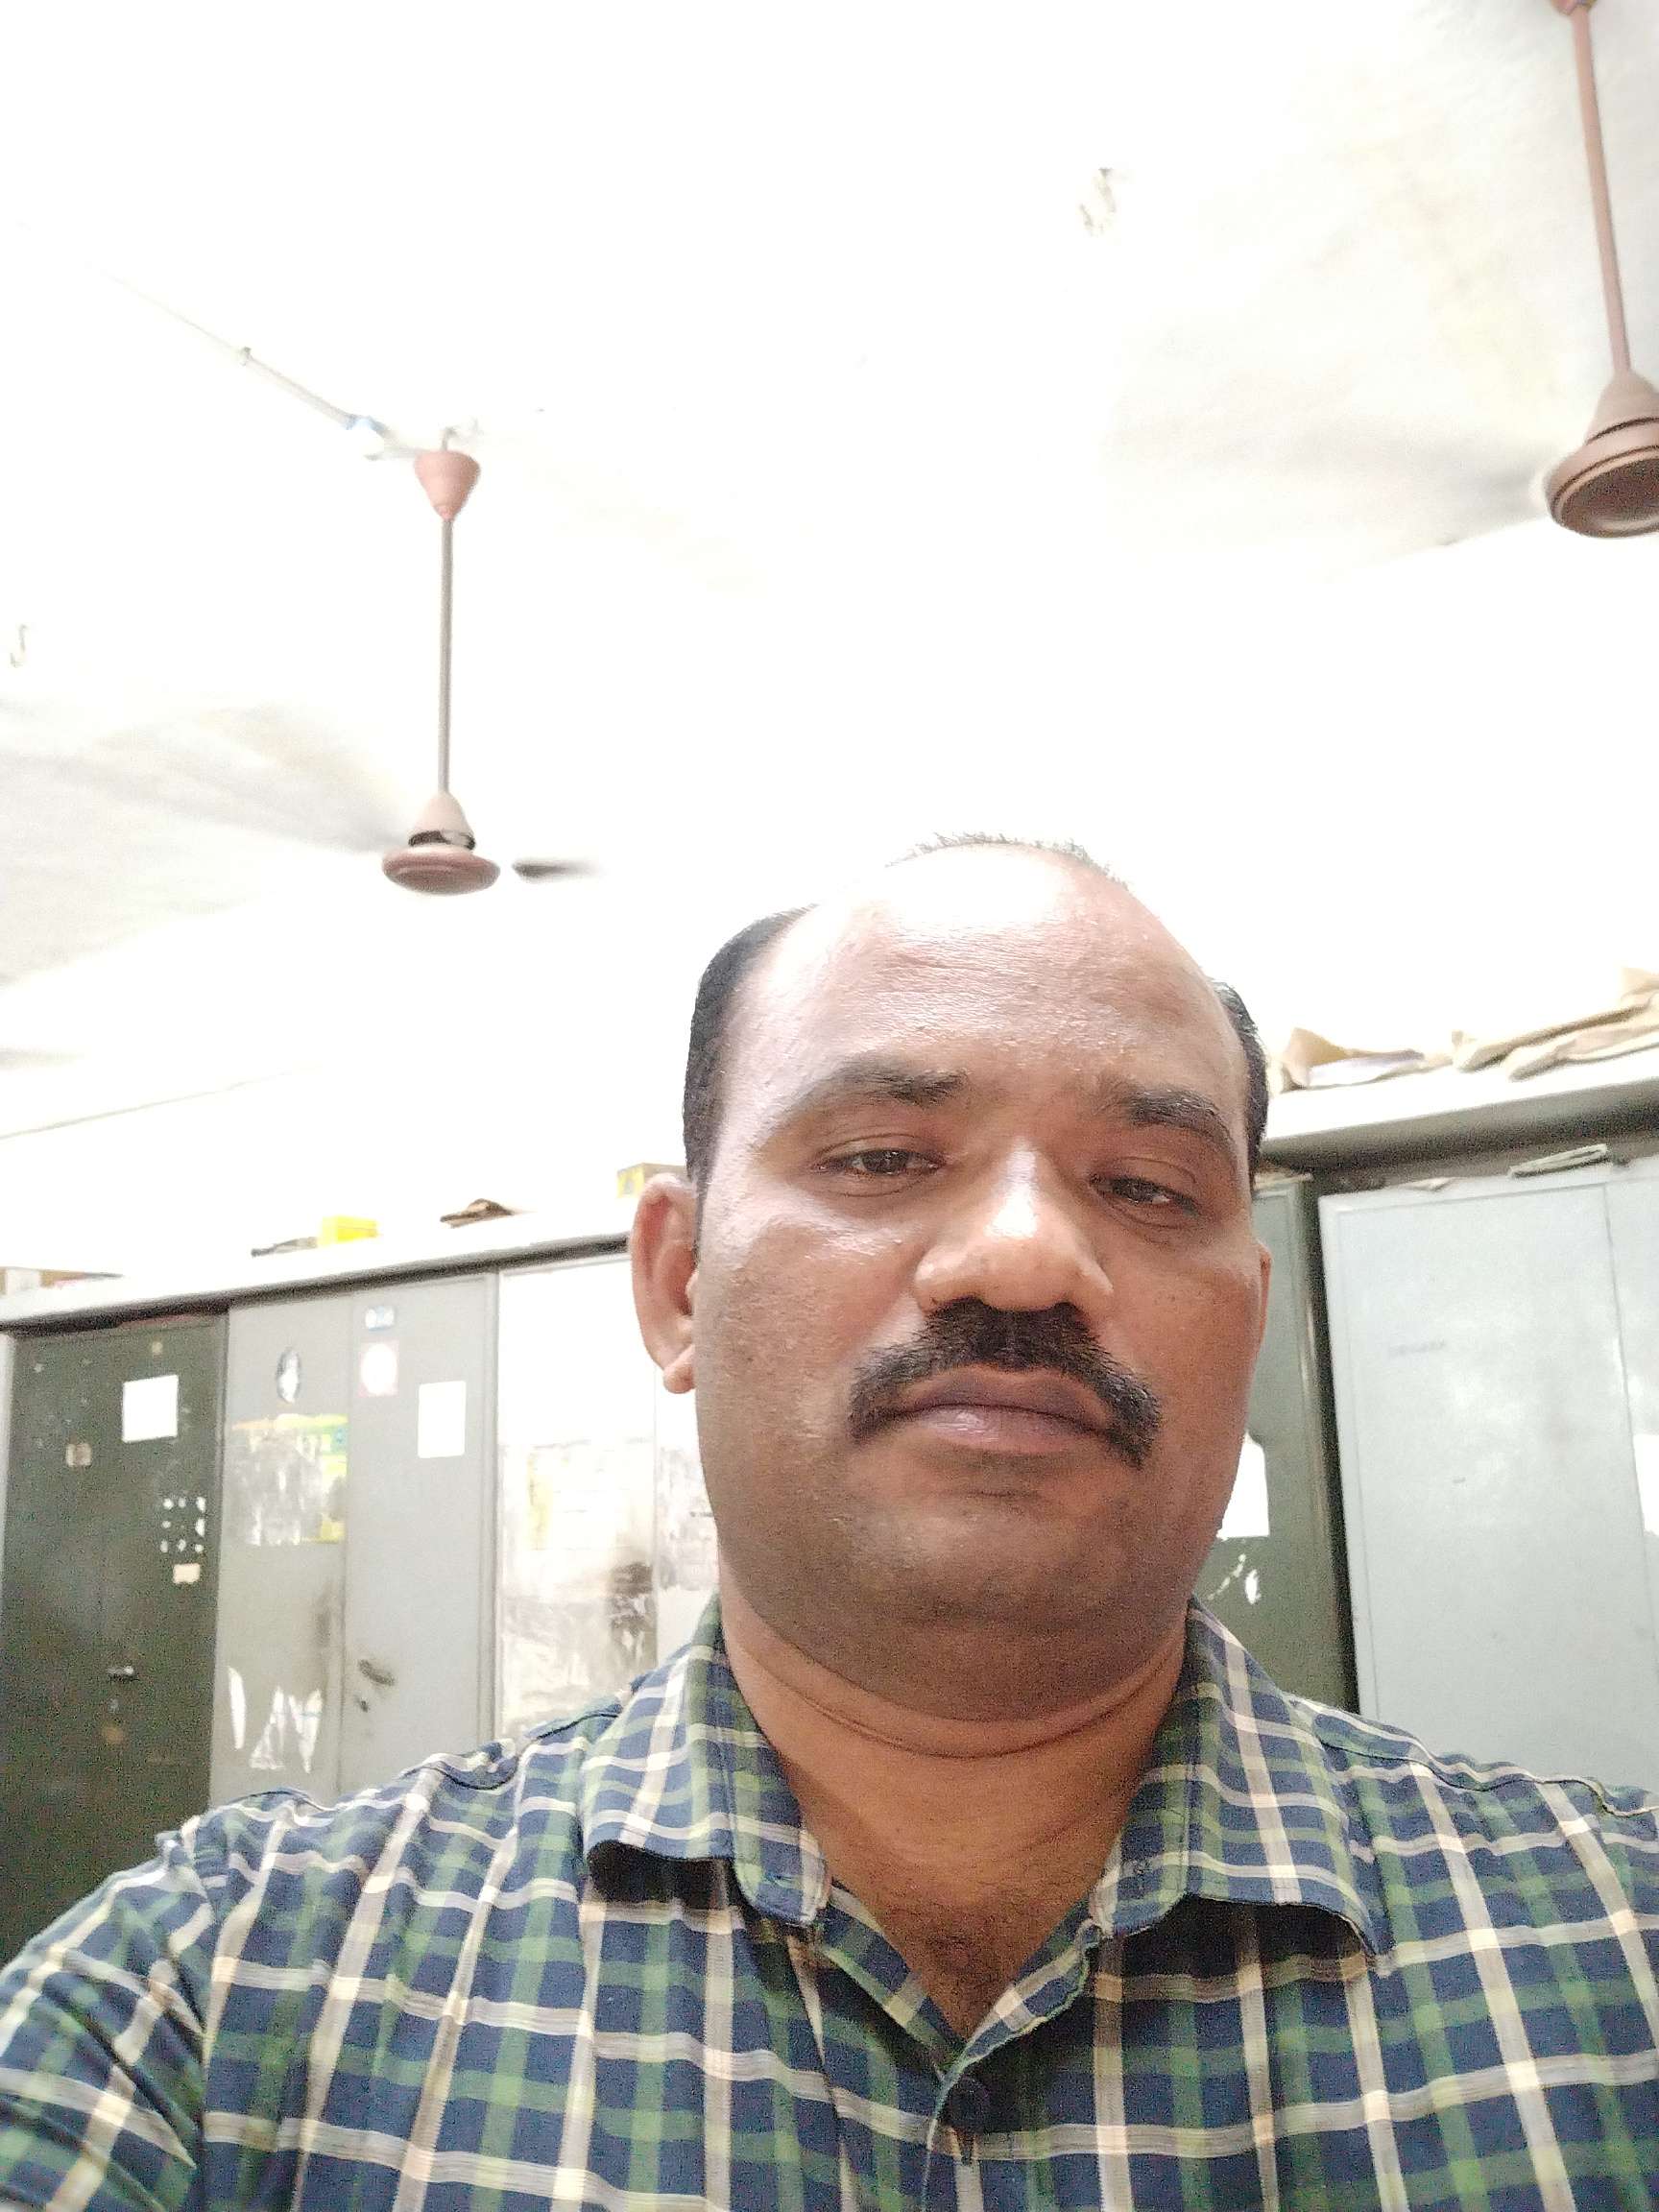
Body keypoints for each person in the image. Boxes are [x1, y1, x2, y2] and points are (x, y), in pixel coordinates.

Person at [0, 834, 1655, 2208]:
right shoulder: (212, 2001)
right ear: (678, 1285)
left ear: (1254, 1324)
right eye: (879, 1157)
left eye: (1148, 1187)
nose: (1025, 1258)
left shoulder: (1620, 1960)